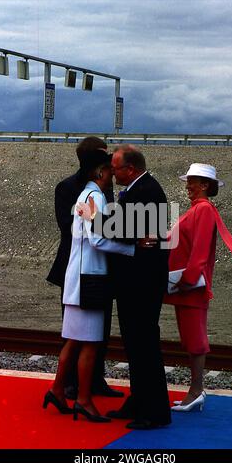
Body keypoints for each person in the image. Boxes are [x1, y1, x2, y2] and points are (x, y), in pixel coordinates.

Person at [79, 145, 171, 430]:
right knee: (135, 345)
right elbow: (131, 231)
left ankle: (154, 411)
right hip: (136, 283)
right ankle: (139, 401)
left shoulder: (147, 191)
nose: (112, 173)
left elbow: (123, 228)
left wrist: (92, 217)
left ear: (129, 169)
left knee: (143, 345)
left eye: (115, 168)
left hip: (142, 284)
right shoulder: (140, 189)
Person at [43, 150, 136, 422]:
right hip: (91, 280)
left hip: (77, 278)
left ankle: (57, 390)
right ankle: (83, 400)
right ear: (98, 171)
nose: (111, 175)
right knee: (91, 343)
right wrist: (130, 248)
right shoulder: (96, 197)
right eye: (108, 169)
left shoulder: (83, 195)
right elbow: (98, 240)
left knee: (72, 341)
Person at [164, 163, 232, 411]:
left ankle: (196, 391)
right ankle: (195, 391)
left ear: (204, 185)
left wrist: (188, 279)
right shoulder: (197, 210)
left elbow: (200, 251)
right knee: (191, 338)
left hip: (190, 286)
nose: (188, 186)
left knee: (195, 339)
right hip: (185, 285)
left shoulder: (203, 210)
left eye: (192, 181)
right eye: (188, 181)